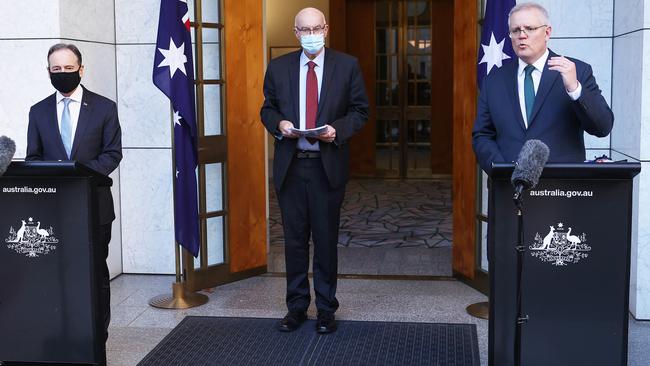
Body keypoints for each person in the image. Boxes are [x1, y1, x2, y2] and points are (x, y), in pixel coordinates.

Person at [260, 7, 369, 334]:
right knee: (293, 242)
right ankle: (295, 308)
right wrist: (279, 124)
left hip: (326, 169)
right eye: (304, 30)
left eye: (316, 28)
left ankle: (325, 309)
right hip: (291, 169)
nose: (311, 35)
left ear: (327, 28)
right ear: (295, 32)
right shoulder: (278, 68)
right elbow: (267, 108)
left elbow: (360, 111)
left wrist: (337, 130)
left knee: (325, 242)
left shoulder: (346, 65)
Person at [26, 43, 122, 364]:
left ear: (81, 70)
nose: (63, 74)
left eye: (69, 69)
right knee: (59, 276)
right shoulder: (38, 111)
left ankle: (98, 338)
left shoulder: (105, 108)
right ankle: (64, 336)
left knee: (94, 274)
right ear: (48, 71)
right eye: (57, 70)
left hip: (94, 208)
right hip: (53, 210)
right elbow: (33, 157)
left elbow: (112, 154)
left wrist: (76, 174)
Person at [472, 2, 613, 174]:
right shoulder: (494, 80)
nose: (521, 35)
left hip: (561, 189)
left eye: (529, 29)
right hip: (507, 189)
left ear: (547, 32)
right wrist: (502, 171)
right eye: (515, 30)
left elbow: (602, 127)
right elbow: (482, 136)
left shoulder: (577, 71)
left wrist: (575, 89)